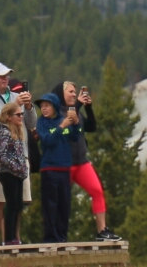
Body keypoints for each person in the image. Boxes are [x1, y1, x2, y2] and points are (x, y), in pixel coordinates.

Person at [58, 81, 116, 241]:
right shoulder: (58, 112)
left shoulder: (77, 111)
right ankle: (58, 233)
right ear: (62, 94)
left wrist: (89, 108)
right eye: (70, 91)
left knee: (97, 191)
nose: (73, 94)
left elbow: (91, 126)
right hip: (65, 163)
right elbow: (64, 124)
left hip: (82, 162)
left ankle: (102, 230)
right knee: (63, 199)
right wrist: (78, 104)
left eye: (75, 92)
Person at [35, 91, 79, 243]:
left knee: (64, 204)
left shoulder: (63, 120)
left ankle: (62, 236)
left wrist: (76, 123)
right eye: (42, 106)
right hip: (49, 168)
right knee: (50, 205)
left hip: (64, 168)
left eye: (47, 105)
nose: (44, 109)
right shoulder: (42, 123)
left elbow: (75, 136)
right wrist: (62, 126)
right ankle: (51, 237)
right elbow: (48, 140)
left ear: (54, 106)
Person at [0, 99, 31, 245]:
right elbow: (3, 156)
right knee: (11, 205)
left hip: (18, 173)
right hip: (8, 173)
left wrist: (23, 168)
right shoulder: (4, 132)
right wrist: (17, 167)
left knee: (18, 204)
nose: (21, 117)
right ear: (8, 117)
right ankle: (8, 238)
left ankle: (14, 237)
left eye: (22, 114)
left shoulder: (18, 132)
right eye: (18, 115)